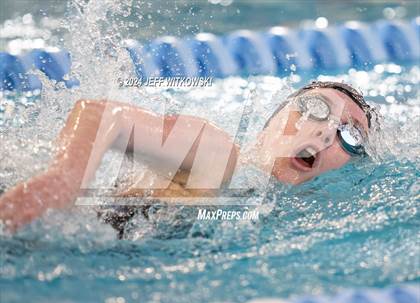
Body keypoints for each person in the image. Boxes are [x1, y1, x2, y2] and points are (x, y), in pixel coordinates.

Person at [0, 81, 375, 232]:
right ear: (271, 123)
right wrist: (64, 178)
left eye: (350, 134)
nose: (326, 132)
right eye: (315, 108)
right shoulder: (219, 155)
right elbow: (101, 115)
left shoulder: (275, 217)